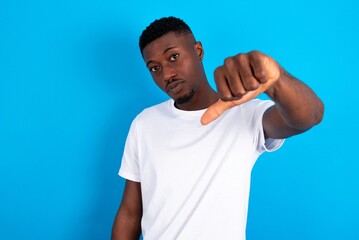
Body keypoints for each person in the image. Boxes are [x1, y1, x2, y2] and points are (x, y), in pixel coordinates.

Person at [111, 16, 324, 240]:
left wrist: (276, 79)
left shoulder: (246, 114)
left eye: (173, 57)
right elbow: (130, 214)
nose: (166, 75)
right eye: (154, 68)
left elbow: (309, 116)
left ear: (198, 51)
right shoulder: (144, 123)